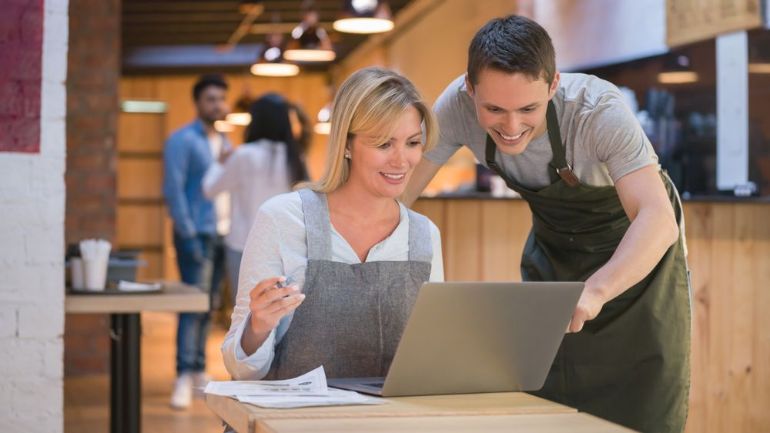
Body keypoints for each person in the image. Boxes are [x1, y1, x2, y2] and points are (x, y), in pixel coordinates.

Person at [401, 15, 690, 433]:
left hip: (637, 269)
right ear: (470, 88)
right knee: (541, 406)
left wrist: (596, 290)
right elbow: (399, 195)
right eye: (494, 109)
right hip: (555, 259)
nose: (512, 127)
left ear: (553, 85)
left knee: (643, 411)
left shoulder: (596, 111)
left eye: (529, 109)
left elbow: (657, 219)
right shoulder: (455, 107)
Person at [221, 67, 444, 381]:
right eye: (383, 144)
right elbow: (241, 369)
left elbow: (430, 357)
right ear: (347, 144)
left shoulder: (423, 236)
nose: (401, 160)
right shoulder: (283, 219)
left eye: (412, 143)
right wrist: (258, 325)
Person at [163, 74, 231, 409]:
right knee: (191, 307)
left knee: (209, 305)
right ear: (198, 103)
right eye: (211, 99)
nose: (218, 105)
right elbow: (174, 189)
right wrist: (187, 232)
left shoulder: (226, 141)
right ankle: (181, 374)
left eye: (221, 98)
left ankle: (199, 370)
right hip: (196, 233)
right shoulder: (182, 140)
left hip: (222, 233)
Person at [202, 93, 308, 306]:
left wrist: (220, 163)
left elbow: (209, 189)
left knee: (245, 315)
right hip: (285, 248)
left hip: (243, 246)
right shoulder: (295, 158)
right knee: (282, 314)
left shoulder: (243, 155)